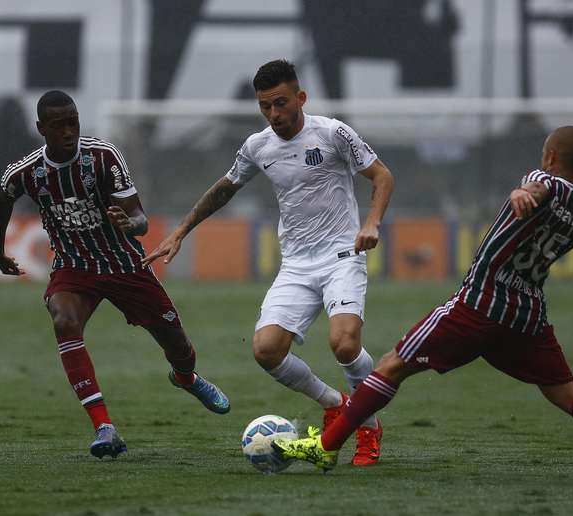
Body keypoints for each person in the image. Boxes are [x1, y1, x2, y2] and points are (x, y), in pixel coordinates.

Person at [273, 126, 573, 481]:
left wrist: (522, 192)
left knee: (391, 365)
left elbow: (535, 189)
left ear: (551, 155)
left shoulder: (545, 179)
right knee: (567, 393)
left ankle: (325, 447)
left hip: (481, 302)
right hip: (527, 318)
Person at [143, 59, 395, 466]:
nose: (274, 115)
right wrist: (180, 232)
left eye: (280, 103)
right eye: (265, 106)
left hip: (342, 257)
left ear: (301, 98)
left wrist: (371, 223)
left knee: (344, 345)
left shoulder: (332, 133)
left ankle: (367, 427)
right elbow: (225, 189)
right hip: (296, 265)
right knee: (266, 349)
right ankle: (334, 403)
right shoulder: (259, 146)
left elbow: (382, 176)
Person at [0, 90, 230, 459]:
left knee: (179, 347)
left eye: (73, 121)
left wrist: (126, 222)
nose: (69, 131)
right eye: (59, 126)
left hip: (124, 264)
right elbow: (3, 199)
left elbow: (140, 221)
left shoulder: (103, 157)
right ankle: (104, 427)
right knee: (64, 320)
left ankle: (186, 378)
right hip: (74, 267)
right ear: (41, 129)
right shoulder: (26, 172)